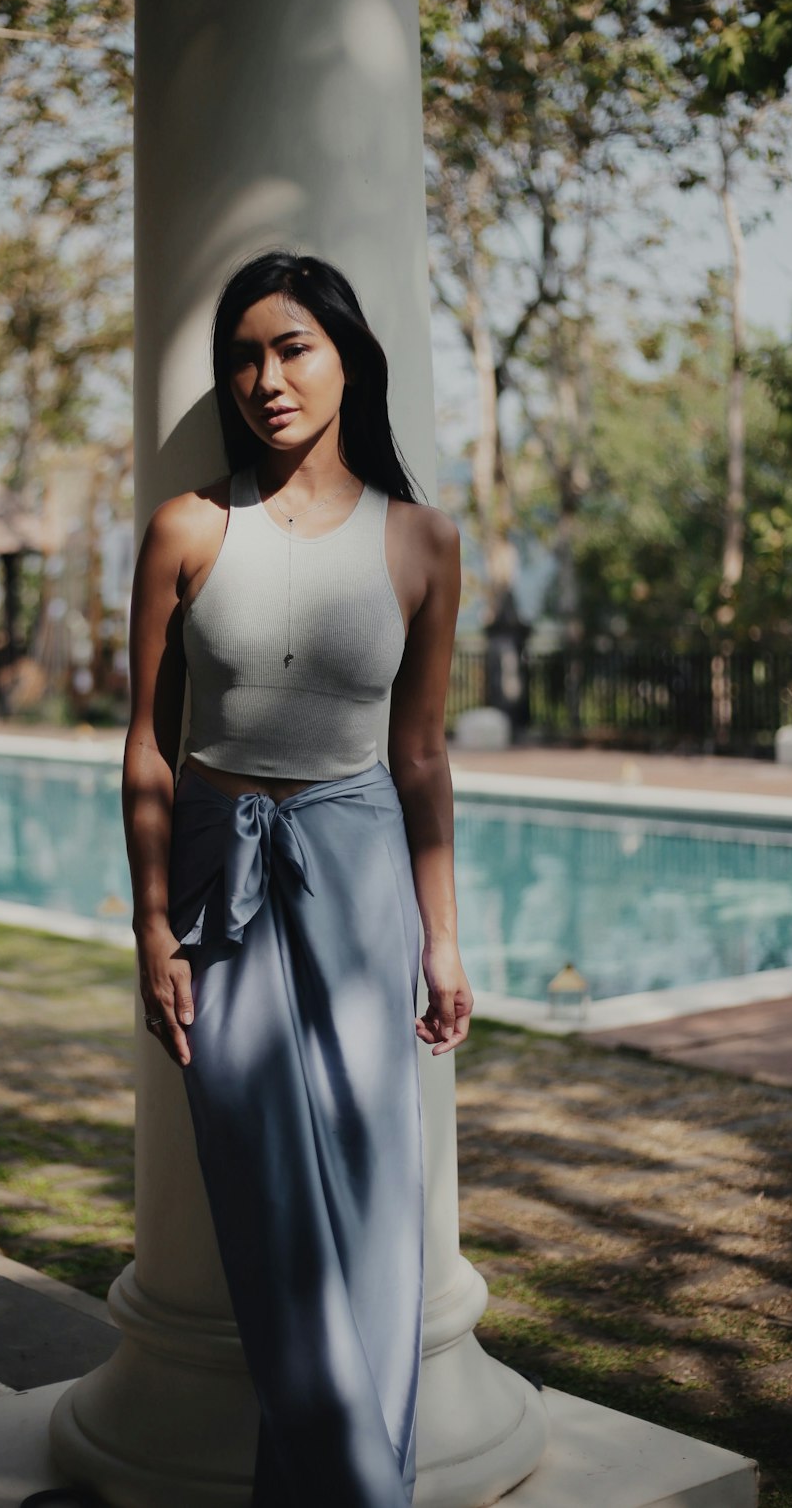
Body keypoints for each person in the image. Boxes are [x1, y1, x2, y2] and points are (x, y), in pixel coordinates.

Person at [122, 249, 474, 1507]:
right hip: (223, 889)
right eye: (243, 354)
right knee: (271, 1221)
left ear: (345, 359)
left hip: (363, 878)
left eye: (293, 347)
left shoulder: (423, 541)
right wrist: (153, 927)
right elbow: (149, 749)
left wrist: (442, 940)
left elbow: (422, 754)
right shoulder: (187, 528)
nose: (265, 378)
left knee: (378, 1220)